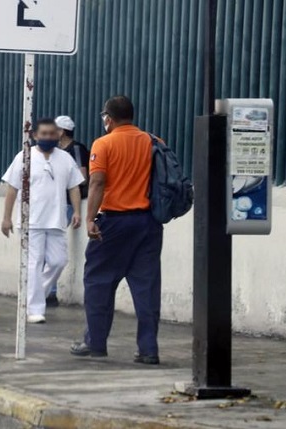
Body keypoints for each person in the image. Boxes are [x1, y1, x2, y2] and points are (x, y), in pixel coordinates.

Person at [70, 96, 164, 365]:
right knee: (146, 286)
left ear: (108, 118)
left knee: (98, 281)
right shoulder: (153, 141)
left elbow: (97, 182)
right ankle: (148, 350)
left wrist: (90, 219)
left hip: (114, 222)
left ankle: (95, 343)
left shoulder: (104, 143)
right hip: (148, 223)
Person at [1, 118, 84, 324]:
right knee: (34, 264)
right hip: (31, 221)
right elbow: (12, 188)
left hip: (56, 220)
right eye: (44, 134)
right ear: (35, 136)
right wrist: (6, 217)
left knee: (58, 261)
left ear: (58, 135)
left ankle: (32, 296)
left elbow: (74, 186)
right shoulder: (24, 157)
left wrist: (76, 211)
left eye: (52, 133)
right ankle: (35, 309)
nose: (48, 137)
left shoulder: (65, 158)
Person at [45, 115, 90, 307]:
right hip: (51, 202)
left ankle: (49, 291)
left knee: (52, 246)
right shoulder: (53, 152)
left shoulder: (76, 149)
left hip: (66, 203)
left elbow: (82, 178)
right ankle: (46, 290)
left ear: (62, 132)